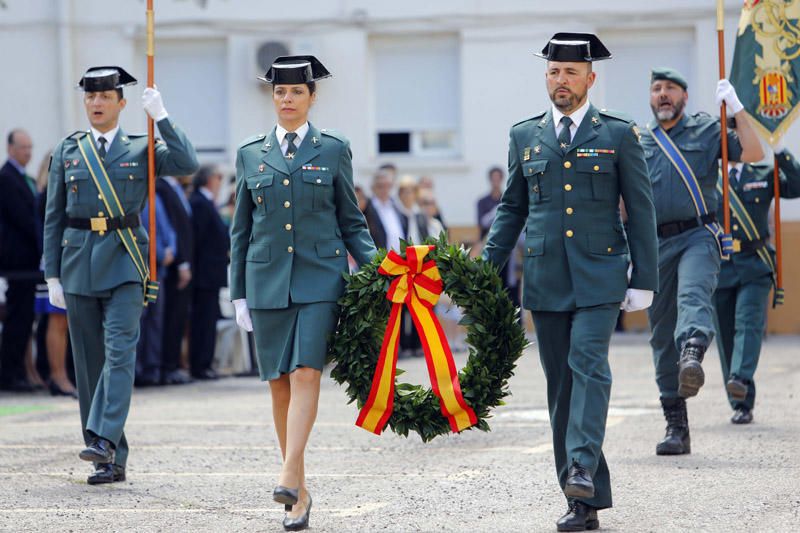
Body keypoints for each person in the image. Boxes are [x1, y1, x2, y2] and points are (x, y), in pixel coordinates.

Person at [482, 34, 658, 531]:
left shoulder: (619, 134)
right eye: (554, 72)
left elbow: (640, 210)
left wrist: (645, 277)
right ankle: (582, 500)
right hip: (546, 276)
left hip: (601, 273)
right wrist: (485, 270)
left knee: (589, 366)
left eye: (571, 73)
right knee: (560, 386)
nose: (561, 81)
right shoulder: (525, 136)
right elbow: (512, 208)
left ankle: (580, 464)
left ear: (590, 79)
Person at [229, 55, 375, 531]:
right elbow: (241, 230)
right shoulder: (250, 153)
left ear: (312, 97)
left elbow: (352, 221)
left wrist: (381, 274)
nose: (286, 99)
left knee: (306, 372)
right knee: (278, 383)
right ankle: (300, 492)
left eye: (295, 92)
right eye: (279, 92)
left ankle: (288, 471)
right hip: (264, 279)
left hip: (319, 279)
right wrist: (237, 293)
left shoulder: (333, 149)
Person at [43, 66, 198, 484]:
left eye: (105, 97)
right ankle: (109, 458)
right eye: (91, 97)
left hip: (126, 262)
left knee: (119, 354)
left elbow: (187, 162)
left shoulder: (140, 148)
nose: (96, 104)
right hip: (77, 263)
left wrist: (162, 116)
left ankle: (104, 436)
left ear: (121, 103)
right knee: (89, 364)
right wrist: (52, 274)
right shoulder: (68, 151)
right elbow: (53, 217)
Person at [641, 68, 763, 455]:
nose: (663, 94)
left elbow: (755, 153)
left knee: (693, 293)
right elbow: (625, 201)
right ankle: (677, 425)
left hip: (698, 234)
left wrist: (738, 110)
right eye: (657, 89)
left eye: (671, 89)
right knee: (661, 336)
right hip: (655, 243)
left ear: (684, 96)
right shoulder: (639, 140)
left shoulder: (707, 130)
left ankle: (692, 348)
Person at [713, 142, 800, 424]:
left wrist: (782, 153)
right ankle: (741, 403)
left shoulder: (763, 173)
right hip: (720, 266)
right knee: (726, 334)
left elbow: (796, 186)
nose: (737, 141)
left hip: (755, 262)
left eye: (741, 134)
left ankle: (740, 377)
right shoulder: (707, 178)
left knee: (749, 323)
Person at [0, 129, 40, 392]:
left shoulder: (26, 178)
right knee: (17, 317)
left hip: (29, 260)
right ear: (10, 148)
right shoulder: (6, 178)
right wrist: (44, 241)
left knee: (25, 317)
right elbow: (23, 219)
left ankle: (17, 372)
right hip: (17, 260)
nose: (28, 152)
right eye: (23, 147)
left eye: (30, 147)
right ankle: (9, 374)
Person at [189, 164, 230, 381]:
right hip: (203, 274)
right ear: (207, 179)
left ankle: (206, 363)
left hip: (211, 273)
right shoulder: (199, 202)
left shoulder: (207, 202)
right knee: (202, 321)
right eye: (218, 176)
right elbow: (198, 240)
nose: (220, 181)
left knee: (209, 319)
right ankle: (200, 365)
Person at [135, 192, 176, 386]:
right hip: (142, 266)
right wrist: (160, 253)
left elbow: (167, 229)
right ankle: (138, 369)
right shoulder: (137, 195)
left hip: (157, 270)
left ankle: (153, 367)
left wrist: (171, 250)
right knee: (140, 319)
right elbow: (143, 229)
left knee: (155, 320)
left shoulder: (155, 196)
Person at [156, 174, 194, 385]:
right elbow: (172, 227)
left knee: (178, 318)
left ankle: (171, 365)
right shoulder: (162, 186)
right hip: (173, 265)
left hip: (181, 261)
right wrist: (182, 263)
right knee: (170, 318)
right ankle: (165, 366)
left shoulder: (175, 187)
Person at [363, 167, 407, 251]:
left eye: (388, 186)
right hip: (378, 259)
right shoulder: (367, 208)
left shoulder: (395, 205)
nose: (385, 190)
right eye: (380, 186)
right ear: (373, 187)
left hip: (400, 259)